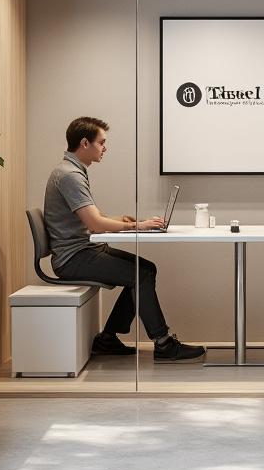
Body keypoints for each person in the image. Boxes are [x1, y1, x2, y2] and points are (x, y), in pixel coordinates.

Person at [44, 116, 206, 362]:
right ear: (85, 143)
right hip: (74, 257)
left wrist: (125, 221)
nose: (105, 148)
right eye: (102, 142)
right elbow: (95, 224)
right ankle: (163, 344)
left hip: (84, 249)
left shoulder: (72, 170)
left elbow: (92, 217)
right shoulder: (70, 176)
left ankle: (108, 339)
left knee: (146, 269)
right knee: (140, 274)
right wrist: (136, 225)